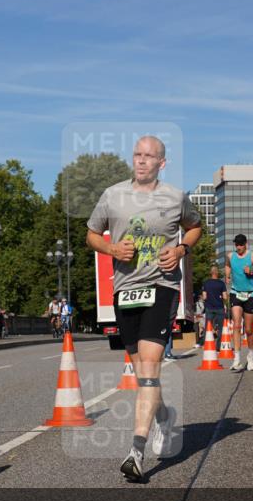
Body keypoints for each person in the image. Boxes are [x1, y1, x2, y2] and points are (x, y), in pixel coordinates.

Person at [86, 135, 202, 481]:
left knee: (150, 365)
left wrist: (180, 251)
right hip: (125, 290)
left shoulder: (175, 197)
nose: (141, 160)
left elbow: (195, 227)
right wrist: (110, 250)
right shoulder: (113, 195)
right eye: (137, 154)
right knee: (141, 374)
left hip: (162, 287)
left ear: (161, 163)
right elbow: (92, 233)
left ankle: (135, 451)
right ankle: (164, 418)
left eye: (149, 156)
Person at [225, 234, 253, 372]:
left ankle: (251, 356)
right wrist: (227, 275)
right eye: (237, 244)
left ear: (246, 244)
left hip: (250, 295)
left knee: (248, 329)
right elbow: (227, 266)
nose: (239, 247)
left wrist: (252, 271)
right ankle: (236, 359)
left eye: (241, 244)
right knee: (236, 325)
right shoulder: (231, 256)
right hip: (236, 293)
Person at [201, 265, 228, 346]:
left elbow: (204, 297)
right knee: (220, 328)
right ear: (217, 273)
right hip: (220, 307)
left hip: (209, 308)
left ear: (211, 273)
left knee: (208, 327)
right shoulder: (221, 283)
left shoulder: (206, 283)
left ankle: (207, 344)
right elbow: (225, 297)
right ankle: (218, 346)